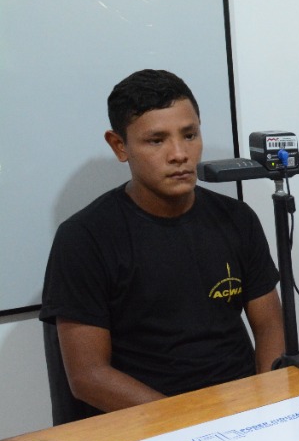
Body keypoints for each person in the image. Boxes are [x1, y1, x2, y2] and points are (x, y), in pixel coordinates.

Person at [41, 69, 285, 415]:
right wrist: (190, 423)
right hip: (148, 422)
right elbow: (89, 376)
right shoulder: (84, 238)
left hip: (240, 408)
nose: (179, 154)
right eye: (156, 140)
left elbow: (270, 326)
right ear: (119, 145)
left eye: (190, 135)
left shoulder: (236, 218)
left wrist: (269, 403)